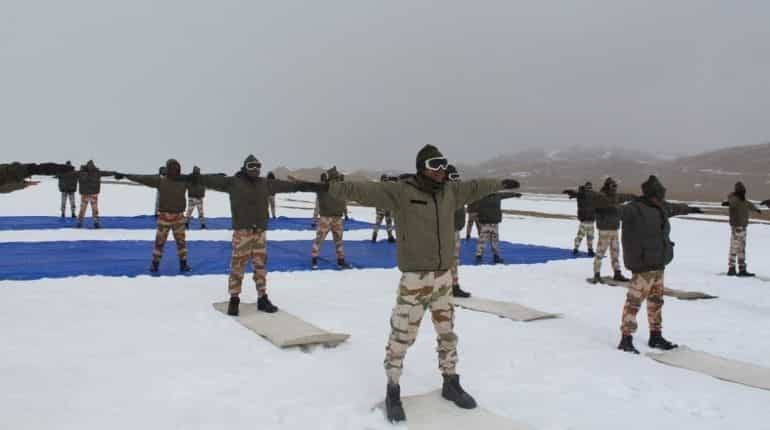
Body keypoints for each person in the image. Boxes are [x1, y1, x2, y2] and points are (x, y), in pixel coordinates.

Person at [324, 144, 521, 423]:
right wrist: (334, 187)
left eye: (443, 165)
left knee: (447, 332)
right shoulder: (402, 192)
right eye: (434, 165)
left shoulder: (451, 191)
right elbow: (363, 191)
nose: (441, 171)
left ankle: (450, 382)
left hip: (442, 277)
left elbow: (476, 186)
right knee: (402, 335)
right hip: (415, 279)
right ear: (422, 168)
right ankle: (393, 388)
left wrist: (499, 183)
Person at [195, 155, 321, 316]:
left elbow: (291, 186)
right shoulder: (233, 183)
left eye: (258, 166)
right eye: (251, 166)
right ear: (245, 167)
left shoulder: (265, 184)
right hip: (242, 233)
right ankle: (234, 299)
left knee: (260, 267)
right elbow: (209, 181)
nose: (255, 169)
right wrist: (192, 177)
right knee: (238, 266)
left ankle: (262, 298)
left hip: (260, 233)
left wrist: (312, 186)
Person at [617, 175, 703, 354]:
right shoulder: (635, 209)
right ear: (653, 193)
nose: (663, 195)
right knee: (634, 303)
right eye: (660, 192)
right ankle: (626, 339)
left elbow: (675, 208)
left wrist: (690, 209)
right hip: (643, 266)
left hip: (658, 264)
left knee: (656, 302)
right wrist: (601, 208)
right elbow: (617, 212)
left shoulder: (661, 207)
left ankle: (655, 336)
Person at [118, 159, 194, 273]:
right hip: (175, 217)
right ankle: (181, 264)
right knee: (178, 243)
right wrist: (126, 176)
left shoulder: (164, 181)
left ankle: (156, 265)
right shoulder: (179, 181)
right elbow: (142, 178)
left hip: (169, 217)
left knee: (162, 243)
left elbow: (142, 178)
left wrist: (125, 175)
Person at [587, 177, 636, 284]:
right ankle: (596, 274)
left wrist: (637, 198)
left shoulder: (616, 197)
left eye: (615, 186)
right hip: (604, 230)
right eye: (613, 186)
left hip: (614, 229)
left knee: (615, 252)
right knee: (600, 252)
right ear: (607, 186)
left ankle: (617, 273)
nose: (615, 188)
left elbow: (626, 196)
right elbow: (590, 195)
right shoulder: (600, 197)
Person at [311, 167, 349, 269]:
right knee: (338, 241)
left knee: (319, 240)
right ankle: (340, 262)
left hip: (327, 217)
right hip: (336, 218)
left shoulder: (324, 187)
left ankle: (314, 260)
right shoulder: (339, 187)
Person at [721, 182, 761, 277]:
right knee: (734, 248)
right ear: (738, 191)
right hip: (737, 228)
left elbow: (749, 205)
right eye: (742, 191)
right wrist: (728, 203)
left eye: (744, 191)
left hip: (743, 227)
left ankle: (742, 269)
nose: (743, 192)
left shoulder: (743, 200)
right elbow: (732, 203)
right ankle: (731, 269)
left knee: (741, 249)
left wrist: (756, 209)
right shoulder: (734, 199)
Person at [473, 190, 522, 264]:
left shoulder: (483, 196)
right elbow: (506, 194)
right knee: (488, 240)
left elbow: (506, 194)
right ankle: (483, 256)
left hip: (490, 222)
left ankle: (483, 256)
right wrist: (515, 194)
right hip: (489, 222)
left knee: (487, 240)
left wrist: (514, 194)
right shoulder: (493, 196)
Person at [447, 165, 471, 298]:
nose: (456, 180)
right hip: (444, 231)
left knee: (454, 261)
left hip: (455, 230)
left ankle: (454, 286)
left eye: (457, 177)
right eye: (453, 177)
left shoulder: (459, 192)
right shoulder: (444, 192)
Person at [77, 160, 116, 229]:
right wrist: (114, 173)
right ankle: (94, 223)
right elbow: (106, 173)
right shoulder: (95, 172)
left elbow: (106, 173)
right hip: (90, 194)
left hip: (88, 194)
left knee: (85, 209)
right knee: (91, 209)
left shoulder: (82, 172)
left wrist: (113, 173)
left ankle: (82, 223)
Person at [563, 182, 596, 256]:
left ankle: (576, 249)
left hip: (585, 220)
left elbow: (575, 194)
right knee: (590, 237)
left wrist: (571, 193)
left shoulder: (582, 194)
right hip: (590, 220)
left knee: (580, 236)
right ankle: (589, 251)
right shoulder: (592, 194)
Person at [0, 162, 73, 193]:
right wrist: (25, 183)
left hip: (19, 172)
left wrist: (25, 184)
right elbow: (7, 186)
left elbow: (7, 187)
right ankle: (66, 168)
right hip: (19, 169)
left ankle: (66, 169)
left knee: (42, 169)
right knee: (41, 168)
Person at [372, 174, 396, 243]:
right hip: (386, 209)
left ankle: (374, 237)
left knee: (378, 224)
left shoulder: (378, 188)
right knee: (388, 224)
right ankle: (390, 237)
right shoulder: (387, 188)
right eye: (386, 180)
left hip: (380, 209)